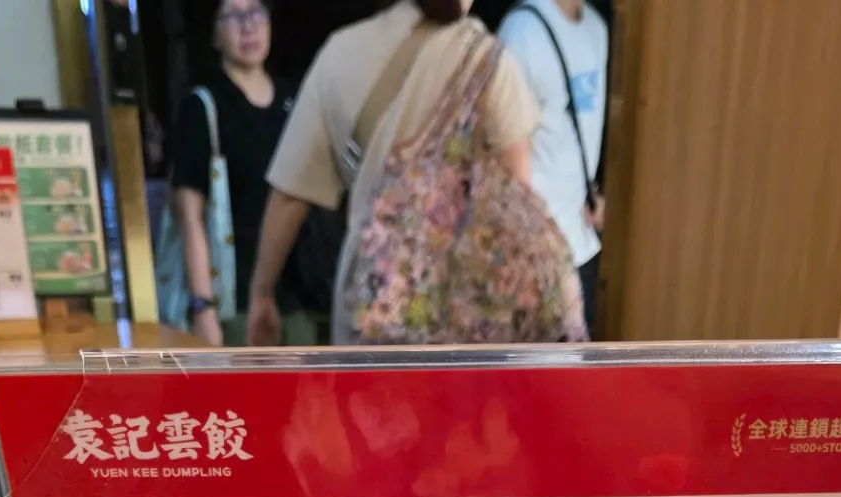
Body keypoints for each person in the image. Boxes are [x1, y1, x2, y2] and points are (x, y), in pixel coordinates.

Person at [245, 0, 538, 346]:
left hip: (368, 301)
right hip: (462, 311)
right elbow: (520, 206)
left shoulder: (341, 52)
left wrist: (262, 293)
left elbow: (289, 195)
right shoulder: (489, 62)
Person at [170, 0, 316, 345]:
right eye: (234, 16)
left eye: (256, 13)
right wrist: (202, 307)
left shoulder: (295, 100)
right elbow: (189, 216)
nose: (248, 26)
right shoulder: (203, 107)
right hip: (233, 302)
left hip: (298, 297)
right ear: (215, 35)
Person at [498, 0, 608, 334]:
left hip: (581, 244)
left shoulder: (597, 29)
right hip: (534, 255)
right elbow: (500, 143)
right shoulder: (521, 32)